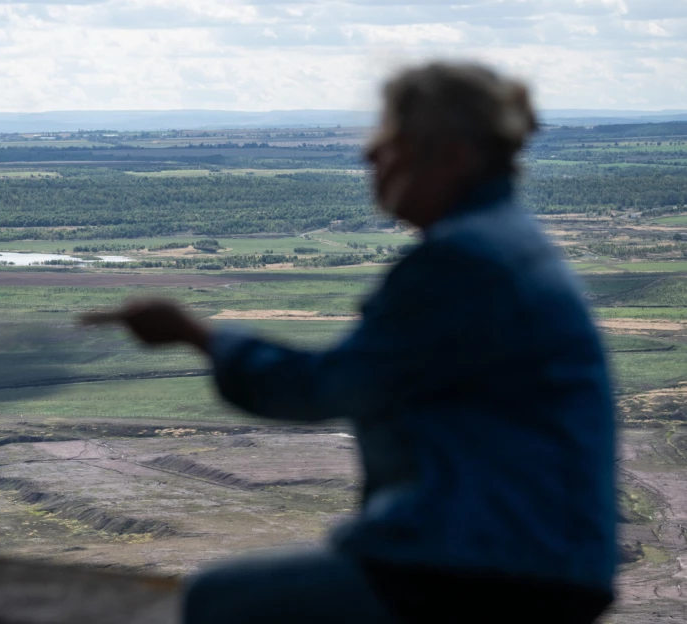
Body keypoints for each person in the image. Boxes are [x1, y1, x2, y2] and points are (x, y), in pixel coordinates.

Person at [81, 62, 617, 624]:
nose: (369, 155)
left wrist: (199, 337)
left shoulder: (462, 262)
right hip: (539, 557)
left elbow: (324, 388)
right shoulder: (511, 242)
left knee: (219, 602)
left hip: (488, 567)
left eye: (390, 139)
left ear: (454, 155)